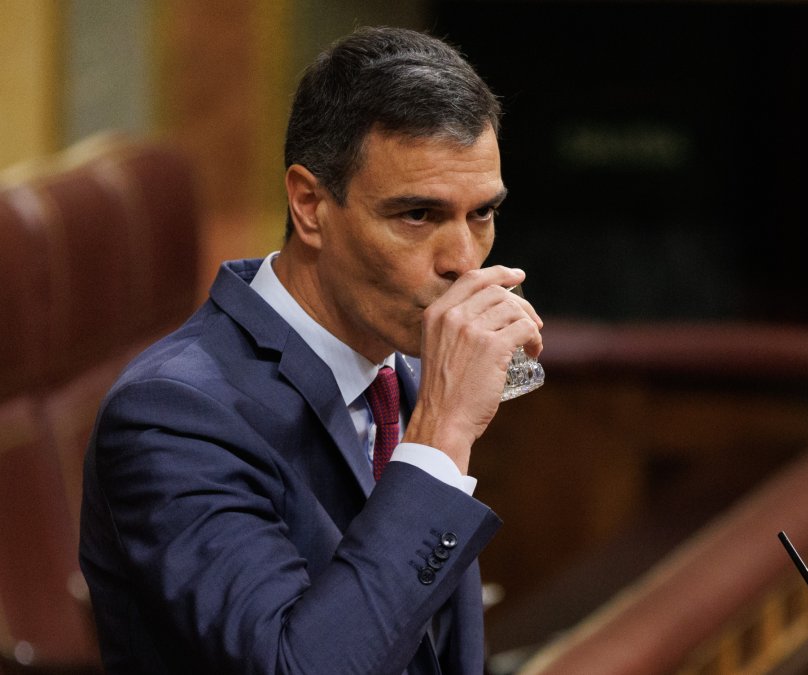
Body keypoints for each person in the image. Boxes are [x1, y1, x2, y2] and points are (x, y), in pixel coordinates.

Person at [78, 25, 542, 674]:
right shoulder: (173, 416)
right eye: (417, 216)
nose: (463, 260)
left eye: (481, 214)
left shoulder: (400, 370)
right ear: (310, 205)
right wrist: (441, 437)